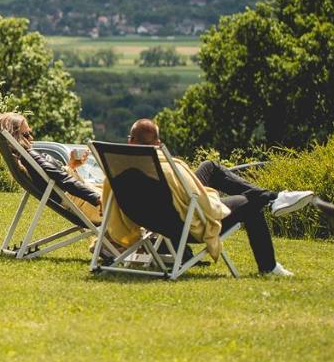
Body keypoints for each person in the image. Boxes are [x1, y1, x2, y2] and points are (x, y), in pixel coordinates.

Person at [124, 118, 312, 277]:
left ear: (130, 142)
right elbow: (193, 198)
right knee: (250, 202)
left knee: (209, 167)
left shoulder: (119, 167)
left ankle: (274, 198)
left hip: (159, 220)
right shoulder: (165, 169)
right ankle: (268, 264)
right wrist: (211, 199)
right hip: (185, 224)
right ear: (158, 144)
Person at [0, 112, 102, 225]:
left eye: (30, 133)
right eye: (26, 134)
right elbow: (64, 180)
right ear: (14, 136)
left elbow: (55, 178)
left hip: (81, 199)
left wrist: (71, 166)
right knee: (117, 195)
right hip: (86, 204)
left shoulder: (24, 160)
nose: (31, 138)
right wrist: (97, 199)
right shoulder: (31, 157)